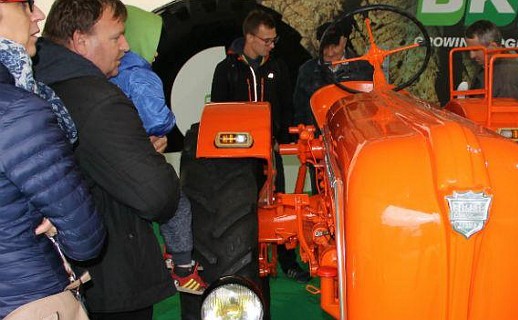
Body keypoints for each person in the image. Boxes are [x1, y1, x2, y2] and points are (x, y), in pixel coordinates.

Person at [34, 0, 180, 319]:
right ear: (81, 40)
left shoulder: (36, 86)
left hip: (61, 275)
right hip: (112, 281)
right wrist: (147, 154)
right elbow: (158, 195)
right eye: (117, 37)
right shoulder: (99, 101)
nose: (126, 46)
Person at [0, 0, 106, 317]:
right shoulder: (18, 112)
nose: (38, 15)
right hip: (28, 297)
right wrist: (55, 224)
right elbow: (86, 238)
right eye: (25, 5)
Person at [109, 4, 206, 295]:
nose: (157, 53)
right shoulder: (140, 74)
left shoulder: (106, 75)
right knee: (176, 205)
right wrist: (165, 125)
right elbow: (157, 119)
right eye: (152, 45)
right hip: (142, 156)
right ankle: (183, 265)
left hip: (117, 156)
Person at [210, 9, 309, 283]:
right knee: (240, 208)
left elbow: (286, 105)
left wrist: (284, 139)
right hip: (238, 156)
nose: (271, 45)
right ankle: (242, 262)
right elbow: (219, 111)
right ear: (250, 37)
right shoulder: (226, 69)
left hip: (271, 150)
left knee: (279, 205)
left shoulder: (277, 67)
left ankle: (288, 261)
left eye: (273, 40)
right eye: (266, 40)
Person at [293, 21, 373, 133]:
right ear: (317, 44)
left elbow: (372, 110)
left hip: (354, 136)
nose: (330, 53)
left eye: (335, 46)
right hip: (318, 140)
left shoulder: (363, 69)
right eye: (325, 47)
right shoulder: (307, 71)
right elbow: (299, 112)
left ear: (344, 41)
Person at [464, 20, 518, 104]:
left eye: (476, 50)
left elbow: (505, 114)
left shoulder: (507, 75)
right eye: (469, 50)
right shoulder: (488, 63)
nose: (471, 55)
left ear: (493, 47)